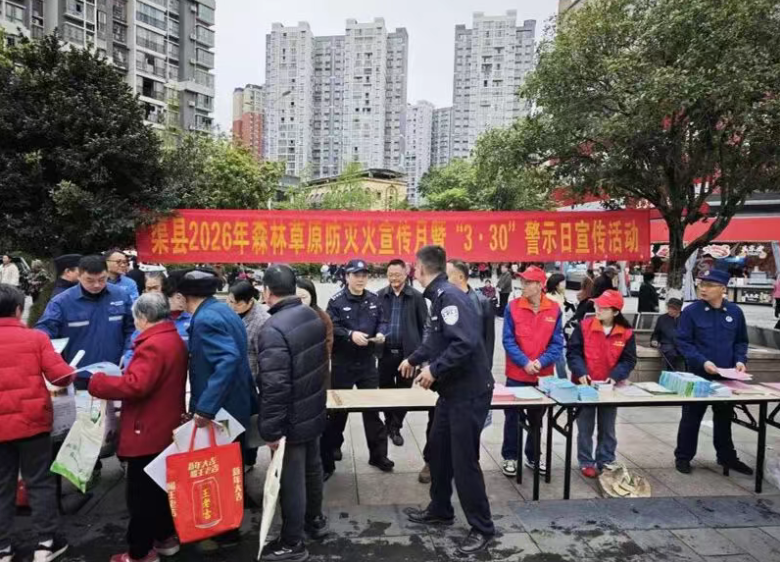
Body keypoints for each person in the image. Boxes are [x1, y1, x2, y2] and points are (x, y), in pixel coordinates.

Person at [401, 246, 495, 555]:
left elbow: (464, 343)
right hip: (451, 393)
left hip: (468, 393)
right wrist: (415, 358)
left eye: (414, 267)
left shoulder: (449, 296)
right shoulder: (438, 297)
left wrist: (434, 370)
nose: (413, 272)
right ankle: (440, 509)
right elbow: (437, 340)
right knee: (438, 450)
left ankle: (482, 527)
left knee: (464, 460)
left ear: (421, 269)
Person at [88, 293, 187, 562]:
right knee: (158, 489)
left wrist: (99, 383)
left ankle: (140, 552)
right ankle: (165, 538)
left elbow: (136, 385)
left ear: (142, 318)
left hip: (147, 428)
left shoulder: (152, 345)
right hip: (164, 424)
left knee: (141, 496)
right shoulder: (171, 338)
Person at [179, 268, 257, 547]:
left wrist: (205, 408)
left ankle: (226, 531)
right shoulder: (222, 309)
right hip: (235, 402)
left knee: (219, 469)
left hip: (222, 408)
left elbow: (227, 359)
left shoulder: (206, 319)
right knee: (231, 464)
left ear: (184, 296)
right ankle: (232, 519)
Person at [256, 265, 329, 562]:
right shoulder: (311, 315)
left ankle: (292, 542)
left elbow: (275, 386)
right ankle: (315, 520)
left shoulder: (273, 328)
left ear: (267, 291)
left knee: (291, 479)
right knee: (312, 468)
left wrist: (272, 430)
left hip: (292, 417)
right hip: (312, 408)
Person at [0, 284, 75, 562]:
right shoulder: (36, 338)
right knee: (39, 482)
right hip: (32, 423)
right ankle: (46, 543)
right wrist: (70, 370)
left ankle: (3, 548)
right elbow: (60, 376)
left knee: (2, 485)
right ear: (19, 309)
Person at [674, 269, 753, 476]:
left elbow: (741, 341)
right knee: (691, 418)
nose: (703, 289)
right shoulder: (691, 312)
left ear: (723, 288)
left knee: (724, 418)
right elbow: (683, 342)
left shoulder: (735, 312)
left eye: (709, 285)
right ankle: (683, 457)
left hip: (727, 377)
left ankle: (727, 457)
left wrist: (740, 360)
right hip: (699, 375)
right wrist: (702, 362)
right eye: (702, 284)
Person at [321, 259, 392, 479]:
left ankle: (378, 455)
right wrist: (350, 334)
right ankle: (333, 449)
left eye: (364, 275)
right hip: (343, 363)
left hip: (367, 363)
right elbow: (331, 327)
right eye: (356, 275)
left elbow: (383, 321)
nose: (361, 279)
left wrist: (381, 333)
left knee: (372, 410)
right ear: (347, 277)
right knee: (337, 410)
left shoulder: (374, 299)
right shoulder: (336, 301)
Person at [501, 266, 564, 478]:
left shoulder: (554, 309)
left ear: (539, 285)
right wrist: (525, 362)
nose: (523, 286)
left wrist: (540, 362)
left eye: (528, 282)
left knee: (537, 419)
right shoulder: (512, 307)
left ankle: (533, 455)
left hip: (542, 375)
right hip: (517, 374)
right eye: (523, 282)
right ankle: (510, 456)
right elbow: (508, 340)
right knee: (512, 417)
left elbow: (557, 344)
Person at [567, 290, 637, 478]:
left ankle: (606, 460)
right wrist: (580, 372)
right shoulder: (584, 326)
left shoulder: (626, 333)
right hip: (585, 386)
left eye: (604, 308)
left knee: (608, 427)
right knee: (585, 427)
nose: (598, 310)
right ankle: (586, 461)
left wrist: (615, 376)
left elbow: (628, 360)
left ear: (615, 312)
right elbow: (573, 353)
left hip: (609, 387)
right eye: (597, 306)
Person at [36, 255, 134, 379]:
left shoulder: (121, 296)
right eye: (90, 280)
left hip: (114, 372)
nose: (97, 285)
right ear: (79, 276)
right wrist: (56, 365)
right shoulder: (62, 302)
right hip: (77, 374)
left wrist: (128, 354)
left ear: (107, 275)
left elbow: (132, 328)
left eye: (102, 279)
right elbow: (44, 333)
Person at [376, 259, 428, 448]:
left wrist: (422, 357)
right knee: (385, 391)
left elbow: (425, 327)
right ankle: (389, 421)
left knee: (404, 392)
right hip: (385, 353)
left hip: (408, 355)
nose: (394, 278)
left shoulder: (417, 297)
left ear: (406, 274)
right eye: (390, 275)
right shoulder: (380, 295)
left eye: (397, 274)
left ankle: (395, 427)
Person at [227, 281, 270, 380]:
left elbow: (263, 358)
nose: (232, 306)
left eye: (238, 304)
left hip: (249, 377)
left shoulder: (261, 321)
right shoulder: (231, 309)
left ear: (250, 301)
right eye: (231, 301)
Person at [296, 278, 333, 362]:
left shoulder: (322, 317)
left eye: (304, 297)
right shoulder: (286, 316)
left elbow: (328, 342)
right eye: (297, 298)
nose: (301, 302)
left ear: (312, 296)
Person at [546, 273, 575, 379]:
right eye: (563, 282)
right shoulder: (550, 298)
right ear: (556, 284)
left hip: (562, 330)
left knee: (561, 358)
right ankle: (563, 380)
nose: (565, 284)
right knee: (560, 358)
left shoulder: (561, 296)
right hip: (553, 332)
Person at [650, 298, 684, 370]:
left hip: (682, 345)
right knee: (671, 353)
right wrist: (654, 340)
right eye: (669, 308)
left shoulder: (686, 318)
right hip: (667, 345)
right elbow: (656, 334)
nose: (670, 310)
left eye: (673, 309)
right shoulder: (662, 318)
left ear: (679, 310)